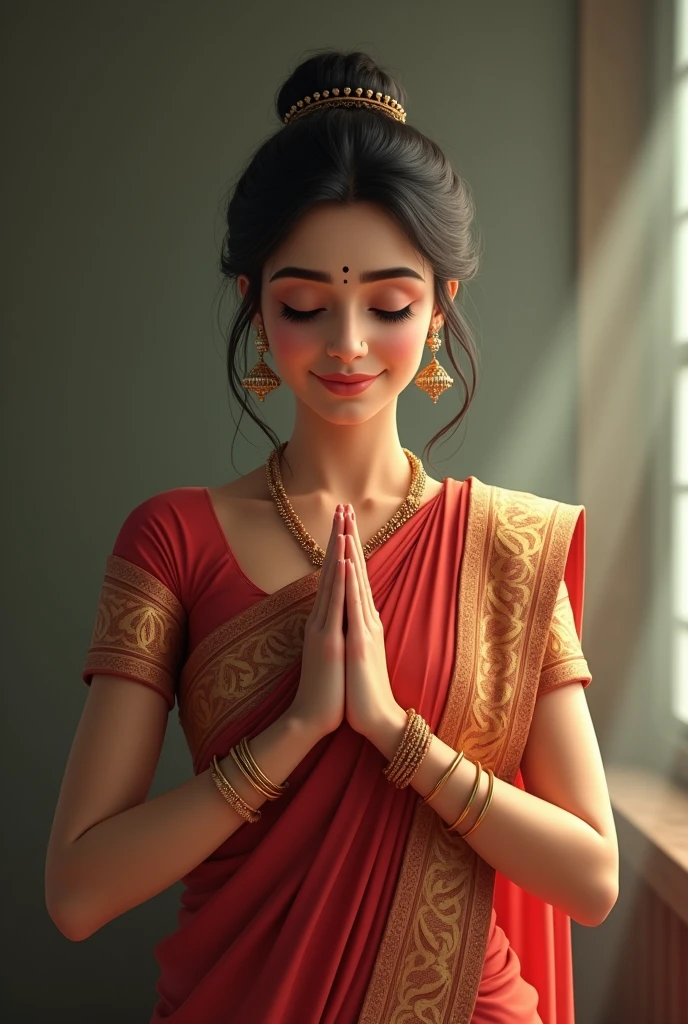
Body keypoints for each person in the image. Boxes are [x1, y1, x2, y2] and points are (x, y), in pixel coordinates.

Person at [44, 49, 619, 1024]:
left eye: (388, 305)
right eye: (306, 305)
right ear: (254, 310)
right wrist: (294, 733)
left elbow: (592, 877)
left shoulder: (508, 547)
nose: (347, 343)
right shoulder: (172, 539)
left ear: (440, 309)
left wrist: (398, 735)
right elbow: (77, 891)